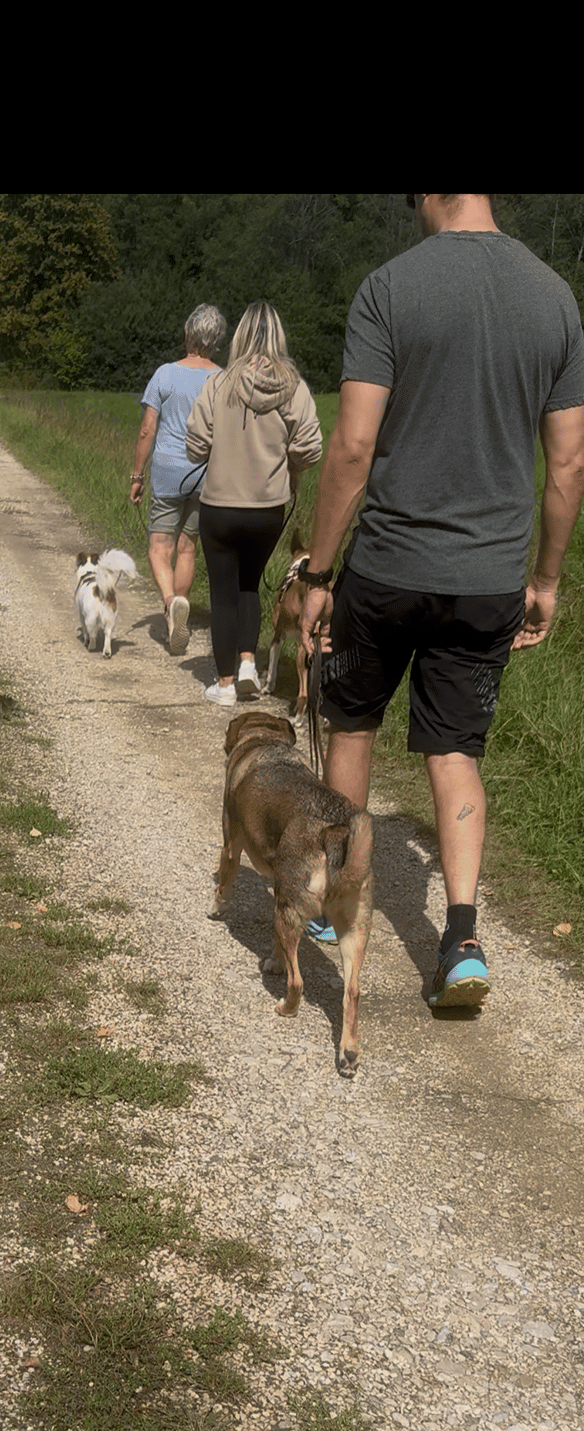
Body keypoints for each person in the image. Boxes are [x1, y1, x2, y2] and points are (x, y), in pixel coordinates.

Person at [298, 193, 584, 1003]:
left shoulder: (390, 287)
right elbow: (568, 465)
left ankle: (335, 903)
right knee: (455, 752)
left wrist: (319, 573)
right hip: (490, 576)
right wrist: (547, 579)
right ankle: (462, 939)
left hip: (387, 565)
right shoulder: (554, 297)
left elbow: (352, 446)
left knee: (352, 723)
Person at [185, 301, 323, 707]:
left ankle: (225, 682)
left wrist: (219, 449)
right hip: (269, 509)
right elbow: (310, 446)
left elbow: (195, 446)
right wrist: (290, 466)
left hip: (220, 506)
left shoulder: (218, 384)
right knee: (250, 585)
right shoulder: (294, 387)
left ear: (241, 335)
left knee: (223, 592)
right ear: (279, 335)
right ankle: (248, 662)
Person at [129, 305, 227, 654]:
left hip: (169, 472)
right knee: (187, 547)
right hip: (207, 475)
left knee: (160, 547)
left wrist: (137, 475)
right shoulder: (224, 379)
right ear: (218, 341)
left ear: (187, 335)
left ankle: (172, 605)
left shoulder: (165, 374)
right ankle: (180, 606)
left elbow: (147, 429)